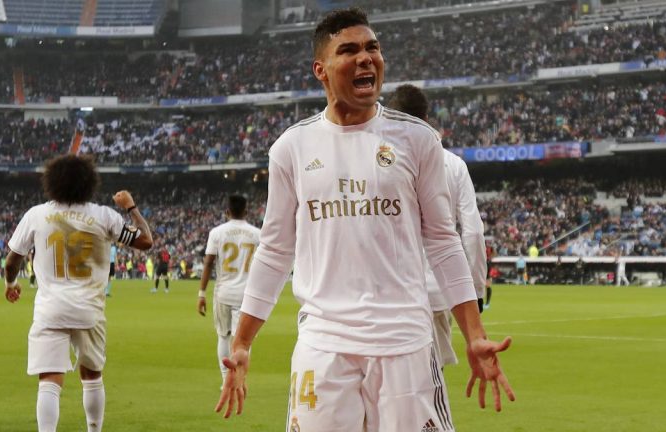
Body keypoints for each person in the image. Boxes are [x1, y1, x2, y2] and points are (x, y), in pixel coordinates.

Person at [215, 8, 514, 431]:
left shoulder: (417, 140)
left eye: (373, 48)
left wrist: (475, 333)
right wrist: (243, 341)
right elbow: (275, 250)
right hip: (323, 344)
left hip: (405, 342)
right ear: (321, 70)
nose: (365, 58)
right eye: (349, 50)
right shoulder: (291, 148)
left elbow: (443, 242)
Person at [3, 154, 153, 432]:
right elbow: (146, 241)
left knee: (49, 381)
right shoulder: (104, 215)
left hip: (50, 310)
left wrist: (11, 285)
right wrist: (131, 207)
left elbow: (12, 261)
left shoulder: (36, 214)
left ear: (51, 182)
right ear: (89, 183)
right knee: (92, 376)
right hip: (89, 311)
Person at [386, 84, 487, 369]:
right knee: (433, 380)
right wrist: (475, 291)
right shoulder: (453, 165)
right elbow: (473, 232)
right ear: (427, 118)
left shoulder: (377, 163)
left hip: (390, 293)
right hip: (437, 289)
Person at [198, 195, 261, 388]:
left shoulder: (217, 233)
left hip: (224, 293)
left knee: (223, 336)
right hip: (247, 295)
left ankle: (226, 379)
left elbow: (208, 263)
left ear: (227, 212)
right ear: (246, 212)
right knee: (244, 340)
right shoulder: (257, 234)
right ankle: (240, 378)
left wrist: (201, 294)